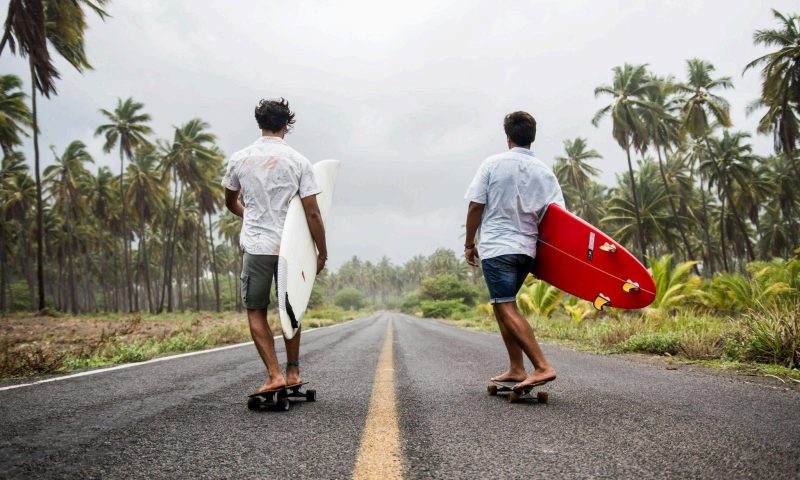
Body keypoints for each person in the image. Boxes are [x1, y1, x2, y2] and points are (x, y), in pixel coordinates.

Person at [222, 98, 328, 394]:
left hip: (257, 245)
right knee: (290, 307)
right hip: (290, 249)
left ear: (259, 123)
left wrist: (250, 216)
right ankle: (292, 372)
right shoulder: (298, 161)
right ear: (286, 124)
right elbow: (313, 213)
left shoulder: (240, 158)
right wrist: (322, 252)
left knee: (256, 310)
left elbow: (230, 201)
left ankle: (274, 374)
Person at [463, 111, 565, 390]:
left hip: (499, 248)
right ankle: (517, 368)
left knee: (505, 305)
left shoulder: (493, 164)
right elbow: (558, 217)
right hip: (527, 250)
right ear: (532, 138)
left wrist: (469, 244)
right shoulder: (545, 172)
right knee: (502, 304)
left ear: (507, 137)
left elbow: (475, 206)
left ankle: (542, 366)